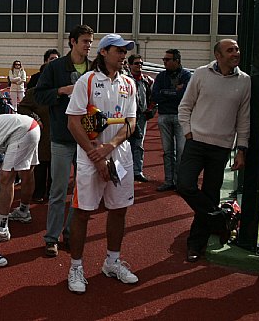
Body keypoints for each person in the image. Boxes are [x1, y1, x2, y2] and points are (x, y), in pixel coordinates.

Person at [65, 34, 139, 294]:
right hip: (89, 156)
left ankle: (112, 262)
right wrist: (95, 155)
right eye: (119, 51)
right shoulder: (87, 81)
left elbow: (131, 122)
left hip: (118, 154)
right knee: (83, 212)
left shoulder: (129, 84)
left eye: (125, 52)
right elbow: (73, 122)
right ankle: (75, 266)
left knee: (119, 210)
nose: (123, 56)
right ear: (104, 52)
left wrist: (110, 147)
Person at [176, 39, 251, 264]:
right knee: (185, 185)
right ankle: (221, 219)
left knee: (210, 194)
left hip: (222, 147)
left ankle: (195, 244)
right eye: (230, 50)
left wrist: (241, 149)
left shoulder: (245, 81)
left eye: (237, 49)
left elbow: (243, 118)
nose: (236, 53)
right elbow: (185, 105)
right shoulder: (200, 73)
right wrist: (188, 132)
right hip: (196, 143)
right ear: (218, 55)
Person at [35, 24, 93, 257]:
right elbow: (39, 94)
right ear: (72, 41)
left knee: (81, 191)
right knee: (58, 190)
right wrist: (62, 90)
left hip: (87, 139)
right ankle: (51, 237)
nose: (88, 45)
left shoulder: (94, 69)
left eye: (90, 41)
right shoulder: (56, 67)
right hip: (61, 137)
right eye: (85, 41)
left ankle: (70, 233)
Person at [0, 113, 41, 242]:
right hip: (32, 126)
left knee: (6, 179)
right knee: (27, 172)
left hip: (23, 131)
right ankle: (24, 210)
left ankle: (1, 228)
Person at [152, 48, 191, 192]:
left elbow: (185, 95)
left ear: (177, 61)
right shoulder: (161, 76)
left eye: (167, 60)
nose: (164, 62)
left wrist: (165, 93)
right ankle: (169, 181)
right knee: (168, 151)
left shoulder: (186, 75)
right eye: (164, 60)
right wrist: (175, 91)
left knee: (181, 151)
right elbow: (155, 95)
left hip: (180, 116)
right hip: (164, 116)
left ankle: (180, 182)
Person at [19, 77, 52, 203]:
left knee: (56, 167)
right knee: (41, 165)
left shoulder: (63, 92)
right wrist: (35, 118)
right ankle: (38, 193)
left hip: (58, 134)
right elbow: (22, 107)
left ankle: (52, 193)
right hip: (42, 135)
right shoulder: (34, 92)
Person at [128, 54, 155, 182]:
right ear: (130, 65)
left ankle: (137, 171)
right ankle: (124, 170)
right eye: (136, 63)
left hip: (142, 116)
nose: (139, 66)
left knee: (139, 144)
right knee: (124, 144)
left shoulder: (147, 80)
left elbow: (153, 97)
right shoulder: (125, 80)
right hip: (127, 117)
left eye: (140, 63)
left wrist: (151, 109)